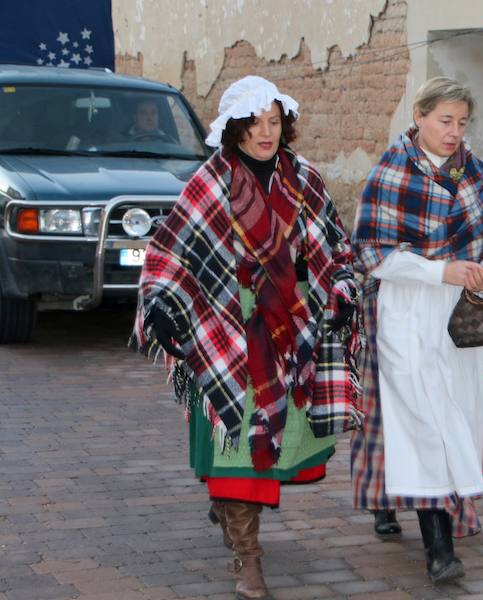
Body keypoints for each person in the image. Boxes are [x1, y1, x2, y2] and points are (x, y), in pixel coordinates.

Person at [131, 76, 362, 600]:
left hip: (292, 321)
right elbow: (169, 251)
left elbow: (336, 246)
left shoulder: (305, 178)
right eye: (255, 123)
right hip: (227, 322)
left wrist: (342, 289)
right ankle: (248, 559)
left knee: (272, 441)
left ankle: (229, 508)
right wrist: (163, 302)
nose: (266, 133)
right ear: (234, 128)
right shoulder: (208, 182)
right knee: (236, 443)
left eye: (275, 122)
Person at [350, 76, 483, 583]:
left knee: (456, 417)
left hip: (461, 318)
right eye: (445, 120)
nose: (454, 132)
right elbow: (373, 256)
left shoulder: (479, 175)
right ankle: (439, 550)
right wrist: (441, 270)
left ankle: (445, 518)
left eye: (462, 122)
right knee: (421, 423)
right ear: (418, 116)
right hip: (407, 312)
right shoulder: (390, 172)